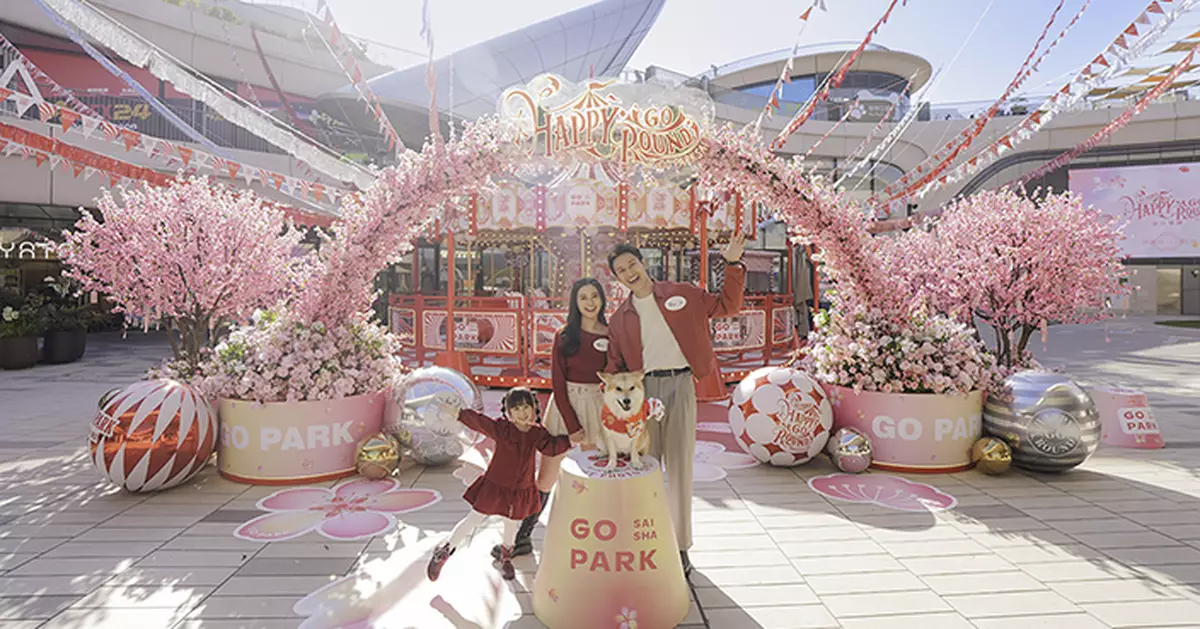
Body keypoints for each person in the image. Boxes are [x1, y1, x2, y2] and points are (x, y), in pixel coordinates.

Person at [604, 234, 746, 577]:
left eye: (632, 264)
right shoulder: (620, 318)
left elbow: (728, 306)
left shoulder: (682, 293)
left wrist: (732, 265)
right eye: (621, 270)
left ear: (643, 262)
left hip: (681, 384)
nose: (628, 272)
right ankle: (645, 539)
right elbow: (613, 366)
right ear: (617, 278)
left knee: (680, 468)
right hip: (643, 391)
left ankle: (680, 546)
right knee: (645, 465)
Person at [491, 279, 608, 560]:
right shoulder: (565, 335)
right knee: (546, 478)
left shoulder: (612, 334)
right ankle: (523, 537)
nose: (590, 302)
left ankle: (596, 535)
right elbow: (557, 380)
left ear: (602, 299)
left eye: (594, 296)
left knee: (595, 475)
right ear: (575, 303)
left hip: (598, 405)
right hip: (565, 405)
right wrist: (573, 426)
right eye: (583, 297)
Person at [427, 387, 575, 582]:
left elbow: (552, 446)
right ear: (509, 412)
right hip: (495, 487)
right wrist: (458, 413)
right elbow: (480, 422)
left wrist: (570, 439)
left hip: (520, 490)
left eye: (526, 407)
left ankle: (506, 558)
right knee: (474, 519)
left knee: (511, 526)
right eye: (516, 409)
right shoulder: (502, 429)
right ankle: (443, 551)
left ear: (533, 408)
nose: (523, 413)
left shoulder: (537, 433)